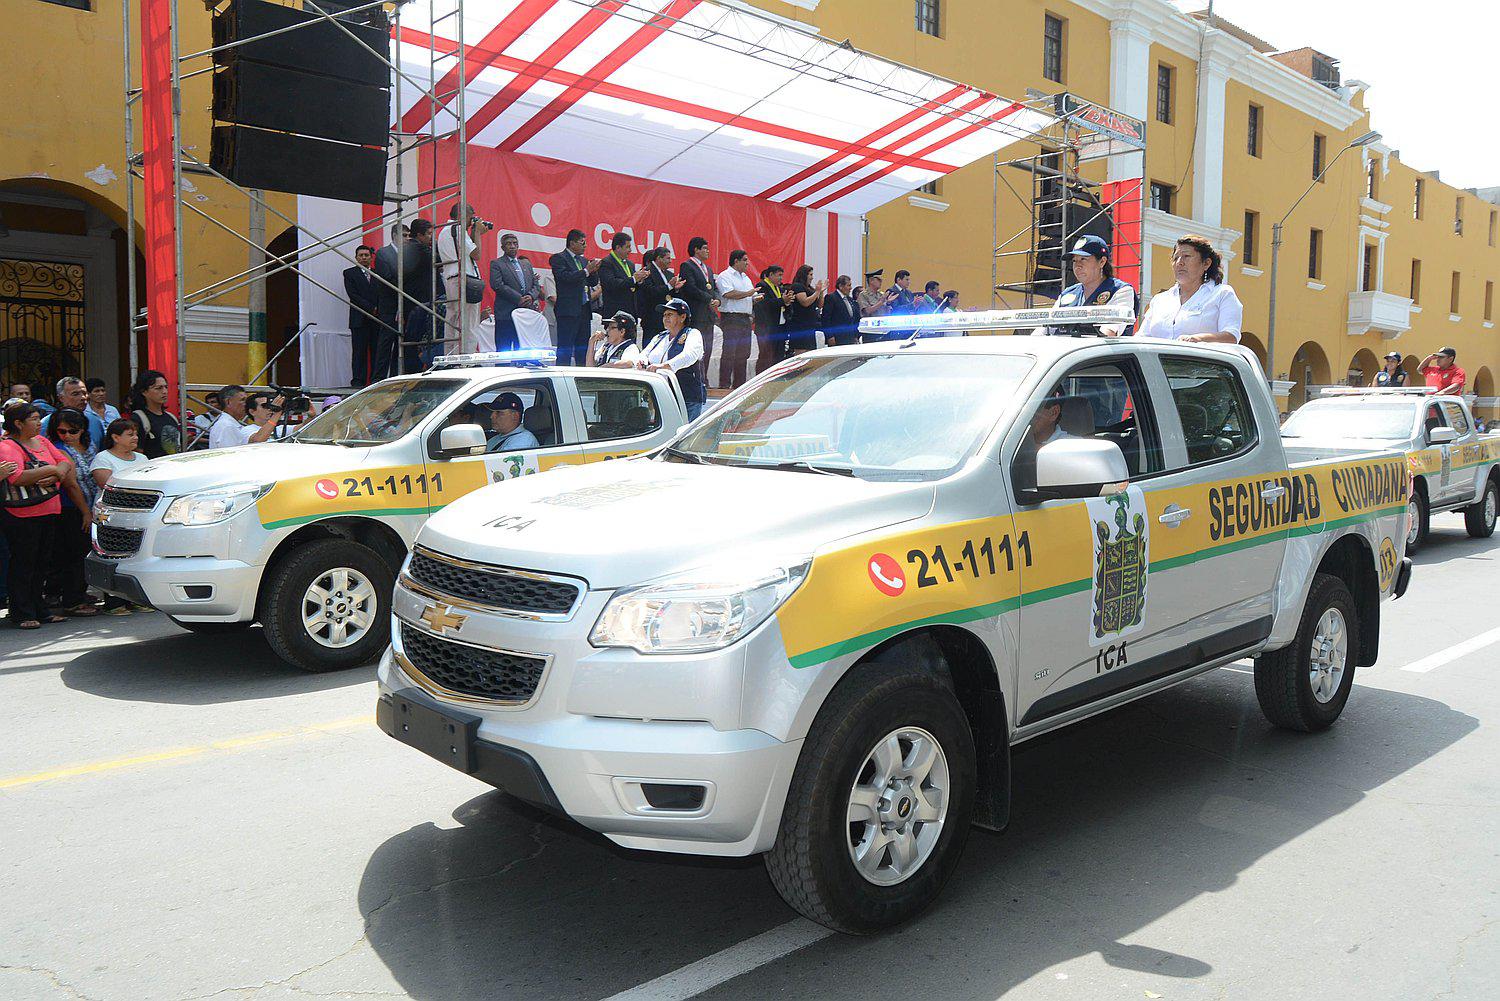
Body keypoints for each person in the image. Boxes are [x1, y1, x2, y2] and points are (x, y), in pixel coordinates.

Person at [1, 402, 89, 629]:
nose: (40, 423)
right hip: (22, 513)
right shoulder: (8, 446)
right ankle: (22, 612)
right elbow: (17, 477)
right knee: (24, 563)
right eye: (34, 419)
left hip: (49, 509)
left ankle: (40, 609)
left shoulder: (42, 441)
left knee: (42, 563)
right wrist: (52, 471)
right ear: (18, 423)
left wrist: (56, 472)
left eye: (40, 418)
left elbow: (65, 462)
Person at [44, 408, 99, 618]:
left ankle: (78, 594)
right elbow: (71, 484)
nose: (66, 436)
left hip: (92, 503)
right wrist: (86, 512)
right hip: (70, 507)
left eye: (72, 431)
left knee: (83, 552)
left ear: (82, 430)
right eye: (61, 431)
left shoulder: (89, 445)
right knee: (74, 554)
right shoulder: (59, 449)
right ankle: (72, 600)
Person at [1138, 235, 1242, 343]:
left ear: (1206, 263)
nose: (1179, 262)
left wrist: (1197, 339)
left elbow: (1231, 337)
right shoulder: (1160, 300)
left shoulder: (1222, 294)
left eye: (1186, 256)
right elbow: (1142, 338)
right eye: (1175, 258)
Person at [1036, 235, 1136, 336]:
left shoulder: (1121, 291)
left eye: (1083, 259)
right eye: (1074, 260)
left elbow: (1109, 333)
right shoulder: (1067, 294)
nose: (1077, 266)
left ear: (1102, 261)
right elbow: (1042, 332)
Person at [437, 203, 489, 354]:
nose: (472, 221)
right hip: (464, 279)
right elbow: (477, 254)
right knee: (469, 323)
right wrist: (478, 233)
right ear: (462, 215)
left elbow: (465, 252)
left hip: (451, 279)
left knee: (453, 320)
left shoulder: (445, 231)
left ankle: (451, 358)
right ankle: (467, 359)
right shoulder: (458, 229)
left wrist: (473, 233)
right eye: (471, 217)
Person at [642, 298, 706, 420]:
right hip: (661, 396)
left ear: (682, 317)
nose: (666, 317)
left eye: (670, 314)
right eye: (664, 315)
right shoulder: (660, 337)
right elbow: (645, 353)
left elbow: (689, 356)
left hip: (686, 397)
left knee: (684, 435)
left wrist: (664, 366)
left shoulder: (692, 334)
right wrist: (642, 362)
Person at [550, 228, 601, 368]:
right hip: (568, 310)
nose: (585, 246)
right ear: (572, 243)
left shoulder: (584, 260)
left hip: (584, 309)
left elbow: (592, 282)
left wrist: (594, 271)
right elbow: (565, 278)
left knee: (583, 347)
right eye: (582, 242)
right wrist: (586, 271)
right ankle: (561, 375)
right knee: (565, 348)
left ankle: (581, 375)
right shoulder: (558, 258)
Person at [400, 219, 442, 372]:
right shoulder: (415, 248)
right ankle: (413, 371)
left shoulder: (415, 247)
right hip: (416, 301)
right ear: (419, 235)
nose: (432, 237)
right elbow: (438, 259)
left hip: (420, 299)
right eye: (429, 234)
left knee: (419, 339)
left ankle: (416, 369)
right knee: (414, 339)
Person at [490, 232, 542, 353]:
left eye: (515, 243)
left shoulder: (526, 264)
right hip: (506, 314)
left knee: (523, 351)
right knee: (504, 351)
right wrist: (519, 298)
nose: (512, 246)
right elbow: (497, 285)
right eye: (508, 244)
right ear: (502, 247)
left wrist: (530, 296)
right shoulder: (497, 264)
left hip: (525, 315)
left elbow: (536, 284)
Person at [677, 238, 720, 377]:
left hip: (708, 315)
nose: (708, 251)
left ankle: (703, 377)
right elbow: (690, 288)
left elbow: (713, 288)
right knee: (695, 348)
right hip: (696, 314)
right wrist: (709, 298)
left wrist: (717, 300)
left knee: (707, 348)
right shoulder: (687, 265)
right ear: (696, 249)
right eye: (705, 248)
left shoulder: (708, 269)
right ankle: (694, 376)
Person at [715, 250, 757, 388]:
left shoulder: (746, 278)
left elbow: (749, 296)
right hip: (731, 318)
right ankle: (724, 385)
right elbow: (728, 293)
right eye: (744, 260)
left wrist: (755, 297)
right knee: (729, 353)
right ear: (736, 261)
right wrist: (748, 294)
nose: (747, 263)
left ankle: (739, 386)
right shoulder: (724, 276)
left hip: (745, 318)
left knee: (744, 353)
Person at [372, 222, 406, 380]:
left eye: (408, 236)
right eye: (404, 236)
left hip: (404, 304)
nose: (407, 239)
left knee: (400, 344)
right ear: (394, 236)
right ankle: (378, 379)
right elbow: (386, 277)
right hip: (389, 304)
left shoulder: (408, 255)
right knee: (385, 344)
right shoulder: (383, 253)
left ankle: (394, 377)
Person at [343, 245, 380, 386]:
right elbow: (353, 295)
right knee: (359, 352)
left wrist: (379, 309)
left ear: (371, 257)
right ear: (356, 258)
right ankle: (358, 381)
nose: (364, 257)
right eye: (361, 255)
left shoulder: (378, 274)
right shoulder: (349, 273)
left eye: (366, 255)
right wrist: (372, 308)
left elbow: (382, 294)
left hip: (377, 319)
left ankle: (376, 380)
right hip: (359, 319)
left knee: (376, 351)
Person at [128, 369, 181, 458]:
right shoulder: (138, 418)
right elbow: (137, 454)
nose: (164, 391)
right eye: (158, 388)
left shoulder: (172, 417)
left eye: (166, 387)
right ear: (144, 392)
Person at [208, 384, 282, 449]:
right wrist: (276, 413)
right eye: (242, 400)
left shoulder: (230, 424)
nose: (246, 404)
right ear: (228, 402)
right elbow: (230, 457)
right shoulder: (226, 426)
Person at [42, 377, 106, 445]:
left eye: (84, 393)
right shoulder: (47, 423)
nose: (83, 397)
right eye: (75, 394)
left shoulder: (95, 421)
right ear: (61, 398)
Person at [636, 247, 681, 341]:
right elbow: (650, 291)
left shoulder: (668, 273)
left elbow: (669, 293)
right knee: (650, 349)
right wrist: (669, 286)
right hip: (652, 319)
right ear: (659, 258)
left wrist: (676, 289)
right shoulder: (647, 271)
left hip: (666, 319)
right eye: (668, 258)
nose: (670, 261)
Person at [598, 232, 647, 320]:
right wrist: (633, 279)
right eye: (627, 247)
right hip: (615, 313)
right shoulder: (606, 262)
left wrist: (639, 280)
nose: (630, 250)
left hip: (631, 312)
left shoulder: (630, 264)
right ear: (618, 247)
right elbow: (611, 284)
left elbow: (632, 285)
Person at [752, 264, 786, 372]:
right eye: (779, 275)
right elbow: (763, 304)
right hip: (765, 327)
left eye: (782, 275)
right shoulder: (762, 285)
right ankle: (760, 379)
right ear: (770, 274)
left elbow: (779, 304)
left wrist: (787, 302)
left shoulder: (778, 288)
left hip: (778, 326)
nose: (781, 278)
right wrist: (782, 301)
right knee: (766, 356)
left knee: (778, 355)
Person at [784, 265, 824, 356]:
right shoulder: (797, 286)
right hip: (800, 324)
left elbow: (820, 305)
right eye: (810, 274)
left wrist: (821, 292)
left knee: (809, 353)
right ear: (804, 275)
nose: (812, 277)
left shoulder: (810, 288)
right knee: (801, 353)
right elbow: (805, 302)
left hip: (810, 324)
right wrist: (817, 292)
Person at [820, 274, 860, 346]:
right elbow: (826, 319)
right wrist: (829, 336)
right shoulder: (831, 298)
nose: (851, 288)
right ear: (841, 286)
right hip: (837, 337)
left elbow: (854, 318)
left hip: (850, 337)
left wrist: (855, 335)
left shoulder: (850, 300)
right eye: (848, 285)